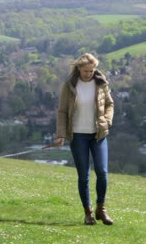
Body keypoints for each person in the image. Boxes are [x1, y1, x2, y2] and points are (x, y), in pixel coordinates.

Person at [54, 53, 114, 225]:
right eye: (86, 71)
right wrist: (61, 134)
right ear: (79, 68)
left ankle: (101, 209)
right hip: (78, 135)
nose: (89, 73)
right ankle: (88, 213)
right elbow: (62, 112)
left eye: (92, 70)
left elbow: (110, 104)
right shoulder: (70, 85)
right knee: (84, 176)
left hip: (98, 134)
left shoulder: (101, 83)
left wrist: (107, 121)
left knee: (102, 172)